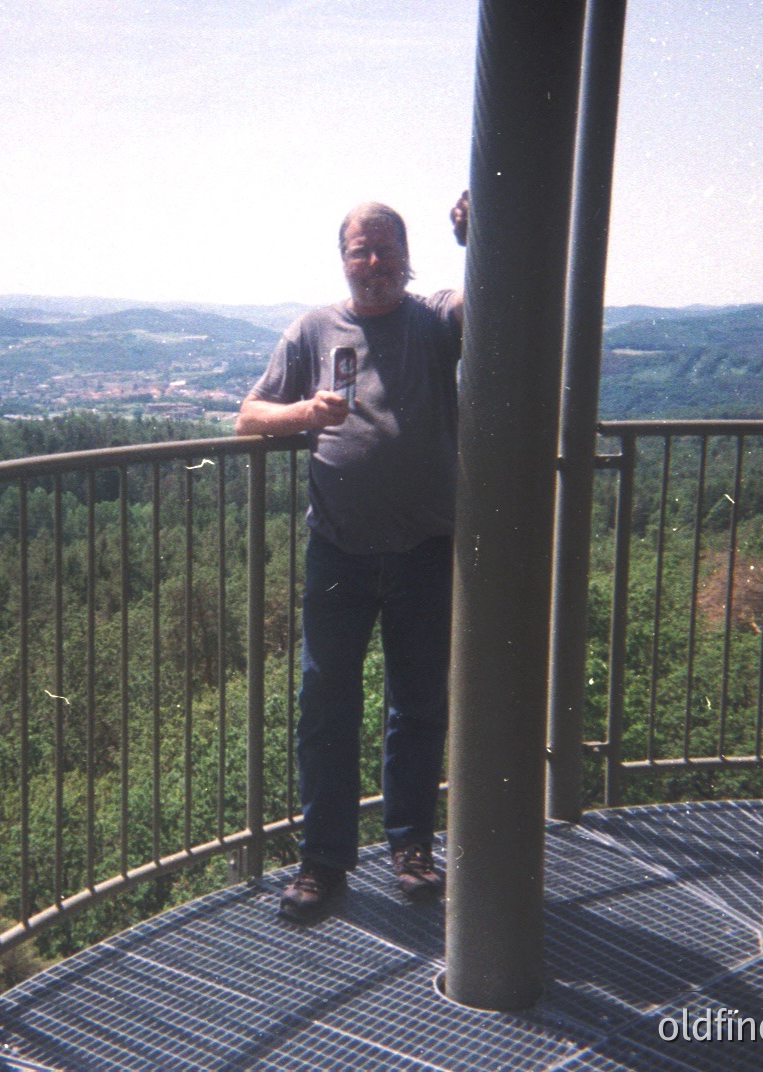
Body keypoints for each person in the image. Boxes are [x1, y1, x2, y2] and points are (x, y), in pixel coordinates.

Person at [235, 195, 467, 923]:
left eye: (385, 250)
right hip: (337, 549)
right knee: (325, 707)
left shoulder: (436, 319)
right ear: (344, 260)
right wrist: (305, 414)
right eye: (359, 252)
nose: (373, 265)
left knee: (419, 705)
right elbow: (248, 418)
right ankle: (323, 862)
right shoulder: (314, 328)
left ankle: (411, 847)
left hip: (426, 546)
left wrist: (480, 238)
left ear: (409, 255)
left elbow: (498, 311)